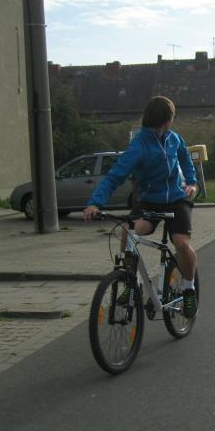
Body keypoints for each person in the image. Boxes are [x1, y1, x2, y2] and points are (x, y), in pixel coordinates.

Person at [83, 96, 200, 319]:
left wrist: (192, 183)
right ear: (167, 119)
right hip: (149, 201)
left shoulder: (174, 139)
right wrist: (95, 203)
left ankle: (189, 288)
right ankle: (130, 281)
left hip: (177, 200)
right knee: (128, 232)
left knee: (181, 243)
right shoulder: (139, 145)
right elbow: (115, 176)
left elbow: (185, 159)